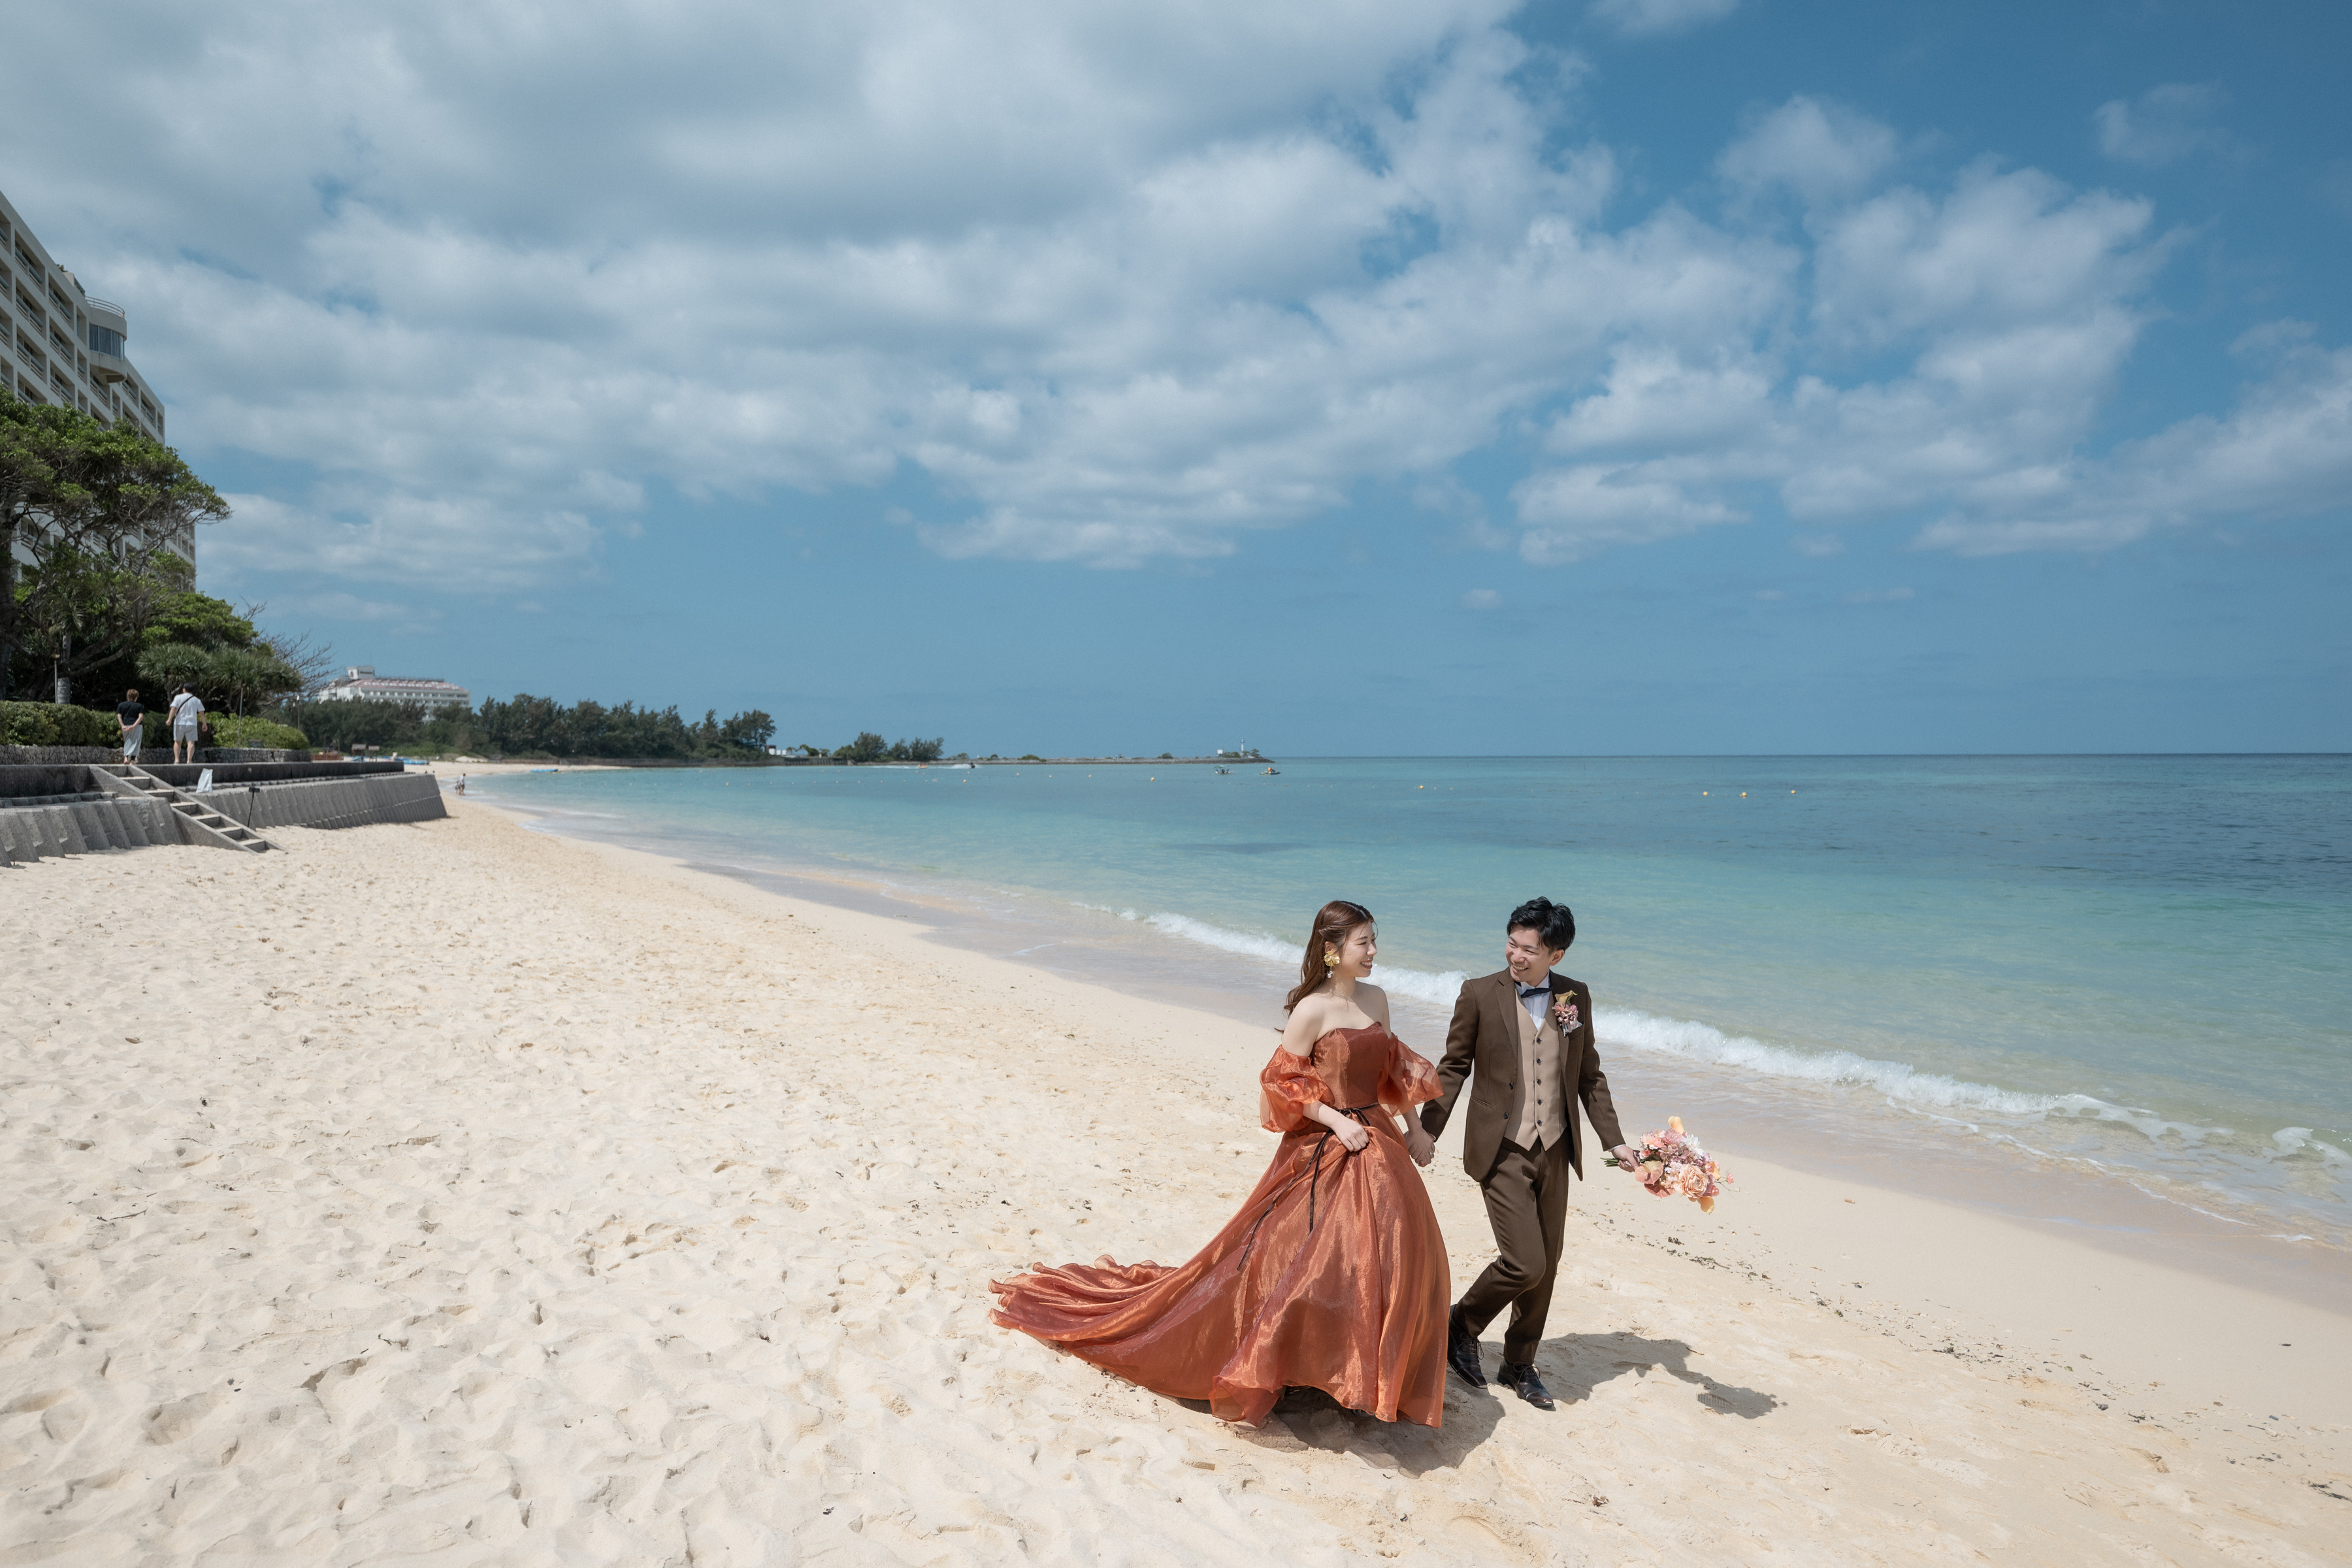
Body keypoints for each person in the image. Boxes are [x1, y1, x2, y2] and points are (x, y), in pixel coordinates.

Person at [990, 900, 1452, 1427]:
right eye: (1363, 942)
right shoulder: (1311, 1011)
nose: (1374, 952)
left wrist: (1415, 1129)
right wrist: (1334, 1119)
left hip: (1378, 1137)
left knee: (1390, 1251)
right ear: (1332, 951)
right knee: (1303, 1257)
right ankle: (1297, 1362)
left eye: (1374, 941)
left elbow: (1391, 1066)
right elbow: (1280, 1083)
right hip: (1330, 1140)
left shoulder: (1377, 998)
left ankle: (1358, 1369)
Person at [1420, 898, 1639, 1411]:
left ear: (1555, 956)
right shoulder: (1478, 993)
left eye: (1529, 949)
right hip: (1501, 1147)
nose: (1516, 956)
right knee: (1525, 1262)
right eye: (1512, 944)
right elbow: (1453, 1067)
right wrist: (1427, 1131)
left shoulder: (1574, 997)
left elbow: (1589, 1076)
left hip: (1557, 1149)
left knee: (1549, 1264)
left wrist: (1616, 1141)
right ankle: (1460, 1324)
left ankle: (1519, 1363)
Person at [167, 685, 205, 764]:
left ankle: (177, 760)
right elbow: (201, 712)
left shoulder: (178, 697)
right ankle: (189, 760)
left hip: (179, 723)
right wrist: (204, 724)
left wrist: (169, 719)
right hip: (192, 723)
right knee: (191, 742)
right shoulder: (196, 700)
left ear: (184, 689)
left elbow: (174, 708)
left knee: (178, 742)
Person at [114, 689, 144, 762]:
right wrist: (134, 726)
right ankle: (133, 760)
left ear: (127, 696)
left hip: (125, 725)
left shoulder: (121, 705)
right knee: (136, 742)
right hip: (137, 726)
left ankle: (126, 758)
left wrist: (122, 725)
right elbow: (140, 717)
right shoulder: (139, 706)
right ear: (136, 697)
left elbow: (119, 716)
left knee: (127, 741)